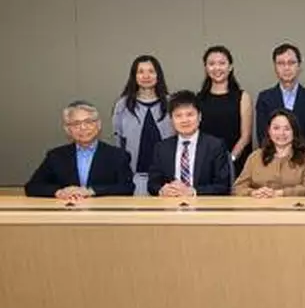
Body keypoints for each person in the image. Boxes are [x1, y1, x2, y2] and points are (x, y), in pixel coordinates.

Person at [25, 101, 134, 199]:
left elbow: (127, 188)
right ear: (68, 130)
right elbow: (32, 186)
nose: (83, 128)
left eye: (88, 122)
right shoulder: (55, 156)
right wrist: (59, 192)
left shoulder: (118, 155)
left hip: (103, 214)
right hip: (66, 213)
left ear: (98, 125)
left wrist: (91, 191)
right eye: (76, 124)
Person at [147, 90, 232, 197]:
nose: (184, 120)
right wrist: (162, 190)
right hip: (170, 205)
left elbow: (223, 186)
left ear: (200, 116)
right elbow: (152, 184)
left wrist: (192, 192)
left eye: (190, 114)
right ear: (171, 120)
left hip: (204, 207)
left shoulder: (215, 145)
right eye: (178, 116)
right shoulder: (161, 148)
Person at [111, 54, 174, 195]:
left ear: (158, 75)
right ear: (134, 76)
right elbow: (118, 140)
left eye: (151, 71)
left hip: (167, 180)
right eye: (141, 71)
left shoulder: (171, 103)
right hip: (134, 177)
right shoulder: (123, 105)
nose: (146, 76)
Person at [233, 109, 305, 198]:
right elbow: (238, 187)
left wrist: (281, 193)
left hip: (295, 207)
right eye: (276, 128)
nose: (281, 133)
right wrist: (253, 192)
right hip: (261, 207)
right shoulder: (255, 156)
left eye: (287, 129)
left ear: (294, 132)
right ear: (269, 131)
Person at [195, 45, 253, 176]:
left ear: (230, 67)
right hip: (206, 164)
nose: (217, 68)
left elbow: (245, 136)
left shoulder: (243, 97)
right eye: (211, 64)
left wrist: (229, 159)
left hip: (236, 163)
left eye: (222, 63)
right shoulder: (198, 99)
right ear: (205, 68)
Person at [255, 43, 305, 154]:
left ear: (299, 66)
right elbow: (263, 135)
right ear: (275, 67)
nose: (286, 68)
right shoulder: (265, 98)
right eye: (281, 63)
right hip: (272, 161)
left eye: (291, 63)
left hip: (304, 160)